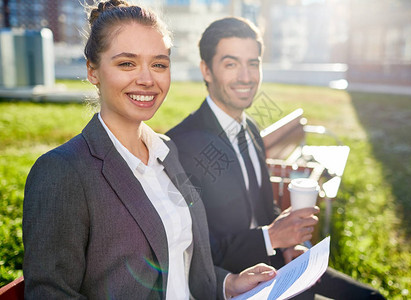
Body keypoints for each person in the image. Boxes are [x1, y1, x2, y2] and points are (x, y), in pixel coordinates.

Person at [22, 2, 276, 299]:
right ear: (93, 71)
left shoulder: (166, 151)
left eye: (159, 64)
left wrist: (227, 284)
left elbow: (181, 260)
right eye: (127, 63)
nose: (147, 79)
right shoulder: (63, 172)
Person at [166, 17, 385, 299]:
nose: (246, 76)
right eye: (231, 64)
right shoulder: (182, 145)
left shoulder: (251, 128)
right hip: (236, 284)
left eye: (253, 63)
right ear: (206, 70)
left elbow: (262, 207)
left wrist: (288, 245)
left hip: (280, 265)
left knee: (373, 297)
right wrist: (271, 237)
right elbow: (196, 250)